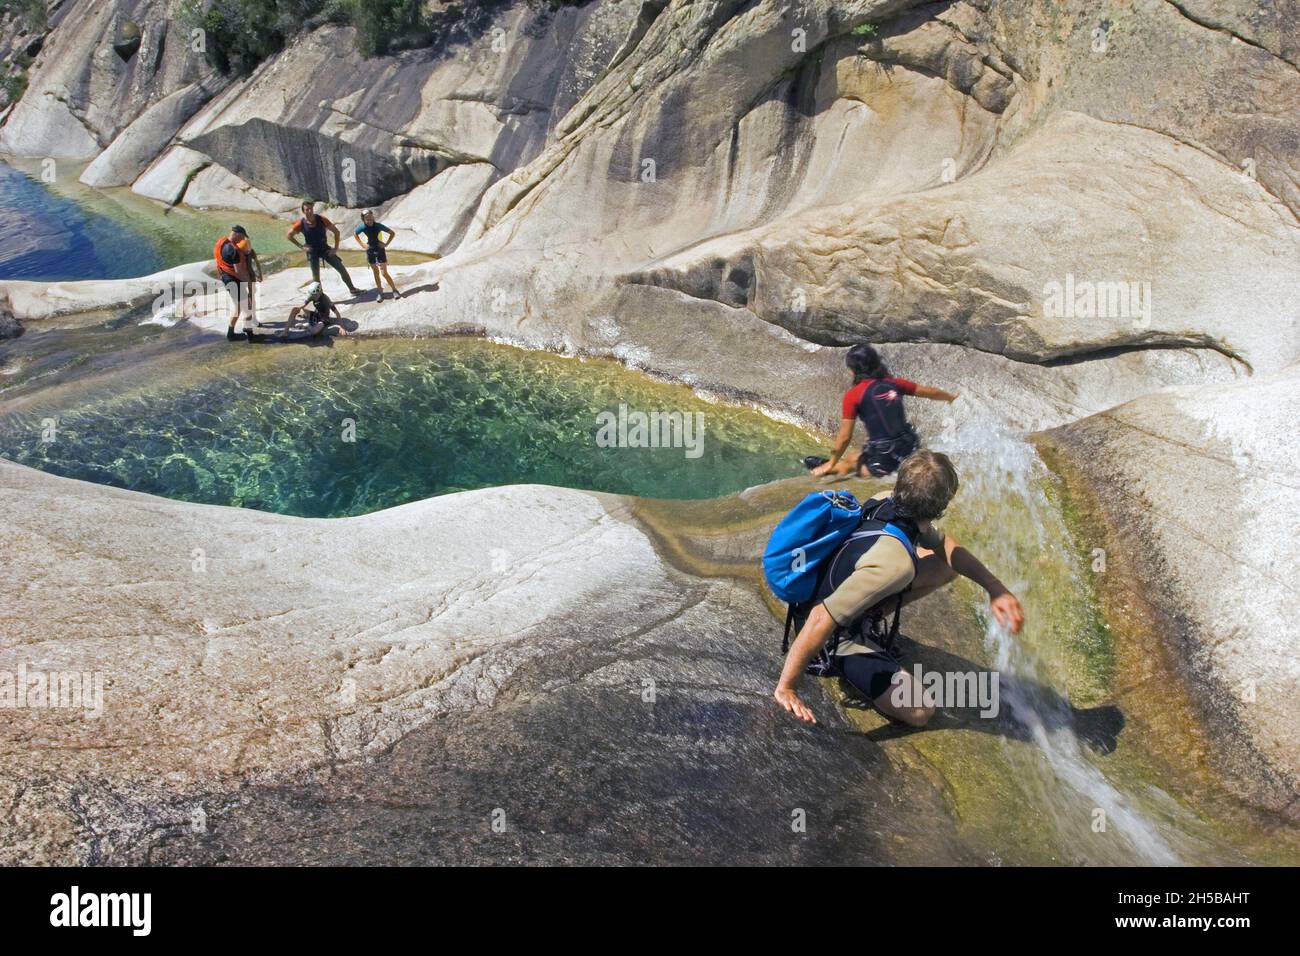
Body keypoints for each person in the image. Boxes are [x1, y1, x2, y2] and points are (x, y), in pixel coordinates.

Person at [774, 450, 1024, 726]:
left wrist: (995, 588)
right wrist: (788, 687)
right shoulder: (896, 565)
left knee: (945, 565)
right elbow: (821, 618)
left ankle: (866, 617)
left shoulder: (886, 500)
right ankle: (853, 644)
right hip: (829, 634)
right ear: (941, 507)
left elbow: (944, 547)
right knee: (920, 710)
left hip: (833, 591)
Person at [805, 344, 958, 478]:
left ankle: (827, 468)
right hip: (910, 448)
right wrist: (949, 397)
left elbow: (845, 437)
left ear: (853, 370)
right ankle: (840, 463)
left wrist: (831, 462)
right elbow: (930, 392)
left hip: (885, 459)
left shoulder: (854, 395)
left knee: (849, 465)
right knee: (854, 456)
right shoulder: (895, 383)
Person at [287, 201, 361, 296]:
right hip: (312, 251)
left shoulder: (322, 219)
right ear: (303, 211)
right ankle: (320, 297)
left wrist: (335, 248)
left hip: (324, 248)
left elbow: (336, 232)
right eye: (306, 210)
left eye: (311, 209)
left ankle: (352, 289)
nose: (309, 211)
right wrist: (301, 246)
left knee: (341, 268)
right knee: (316, 277)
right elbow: (289, 235)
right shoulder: (301, 223)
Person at [213, 225, 263, 342]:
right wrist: (249, 282)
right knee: (248, 307)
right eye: (242, 237)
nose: (242, 240)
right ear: (237, 234)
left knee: (238, 307)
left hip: (225, 277)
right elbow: (239, 272)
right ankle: (250, 336)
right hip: (233, 280)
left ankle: (230, 334)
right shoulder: (234, 251)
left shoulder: (221, 241)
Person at [353, 210, 402, 300]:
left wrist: (386, 244)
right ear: (363, 219)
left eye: (371, 218)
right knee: (376, 273)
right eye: (367, 219)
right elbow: (355, 233)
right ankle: (380, 293)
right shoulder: (363, 227)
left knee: (384, 273)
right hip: (370, 250)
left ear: (373, 217)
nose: (369, 220)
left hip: (380, 250)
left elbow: (392, 233)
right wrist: (363, 245)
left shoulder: (378, 225)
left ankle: (395, 290)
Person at [281, 281, 347, 339]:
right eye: (313, 295)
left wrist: (342, 327)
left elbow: (336, 313)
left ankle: (306, 325)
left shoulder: (326, 300)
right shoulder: (312, 295)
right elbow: (303, 305)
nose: (314, 296)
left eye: (315, 295)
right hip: (315, 314)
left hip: (324, 318)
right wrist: (298, 309)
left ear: (320, 291)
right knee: (294, 309)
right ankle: (285, 332)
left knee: (314, 332)